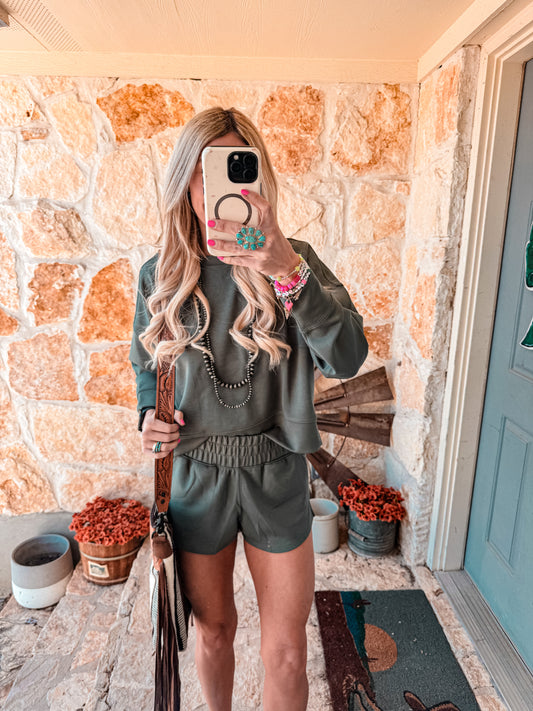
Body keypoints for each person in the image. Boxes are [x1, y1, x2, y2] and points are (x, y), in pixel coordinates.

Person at [129, 107, 368, 711]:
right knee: (214, 632)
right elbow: (145, 366)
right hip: (195, 476)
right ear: (185, 180)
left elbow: (347, 357)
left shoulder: (294, 260)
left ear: (258, 176)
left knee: (286, 653)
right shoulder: (162, 275)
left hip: (276, 470)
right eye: (206, 169)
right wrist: (147, 417)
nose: (219, 186)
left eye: (237, 166)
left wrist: (285, 269)